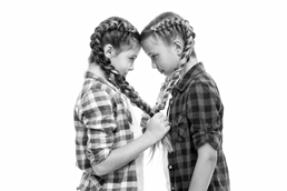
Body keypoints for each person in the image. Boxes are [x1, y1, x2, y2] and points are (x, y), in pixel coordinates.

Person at [74, 16, 170, 191]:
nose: (132, 66)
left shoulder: (109, 90)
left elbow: (117, 142)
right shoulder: (97, 93)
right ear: (109, 51)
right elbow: (101, 164)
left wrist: (139, 129)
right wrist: (149, 136)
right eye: (131, 58)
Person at [140, 12, 230, 191]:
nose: (152, 64)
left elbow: (208, 157)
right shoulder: (181, 91)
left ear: (178, 47)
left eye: (154, 56)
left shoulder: (199, 87)